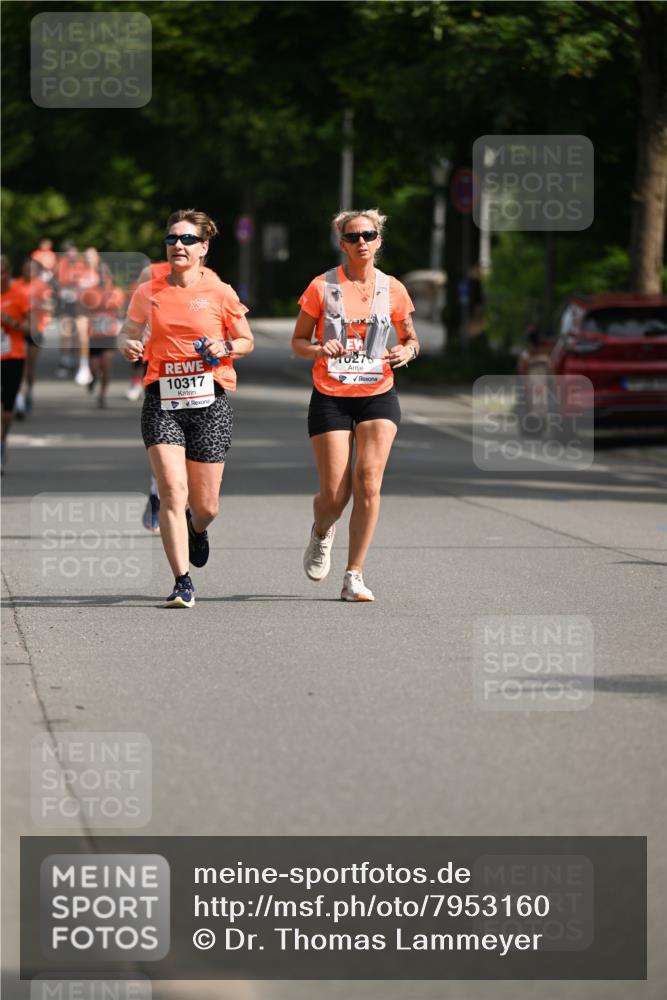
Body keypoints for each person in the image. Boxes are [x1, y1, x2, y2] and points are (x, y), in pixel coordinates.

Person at [118, 209, 254, 608]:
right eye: (173, 239)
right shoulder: (149, 292)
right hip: (162, 400)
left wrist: (225, 346)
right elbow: (128, 334)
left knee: (206, 505)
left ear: (203, 248)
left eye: (188, 240)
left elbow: (245, 339)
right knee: (172, 491)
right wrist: (129, 345)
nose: (179, 245)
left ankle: (198, 528)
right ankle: (182, 581)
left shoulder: (220, 292)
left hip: (210, 401)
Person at [291, 208, 419, 602]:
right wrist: (317, 348)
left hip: (378, 393)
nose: (360, 242)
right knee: (334, 494)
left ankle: (354, 574)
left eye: (368, 235)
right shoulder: (322, 286)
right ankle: (321, 530)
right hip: (331, 395)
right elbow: (298, 342)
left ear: (379, 240)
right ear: (342, 243)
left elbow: (411, 338)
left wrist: (407, 352)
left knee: (368, 480)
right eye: (352, 237)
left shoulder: (393, 288)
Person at [1, 256, 31, 471]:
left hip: (13, 357)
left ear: (7, 273)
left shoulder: (19, 295)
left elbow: (31, 329)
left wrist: (8, 320)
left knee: (7, 413)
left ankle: (2, 441)